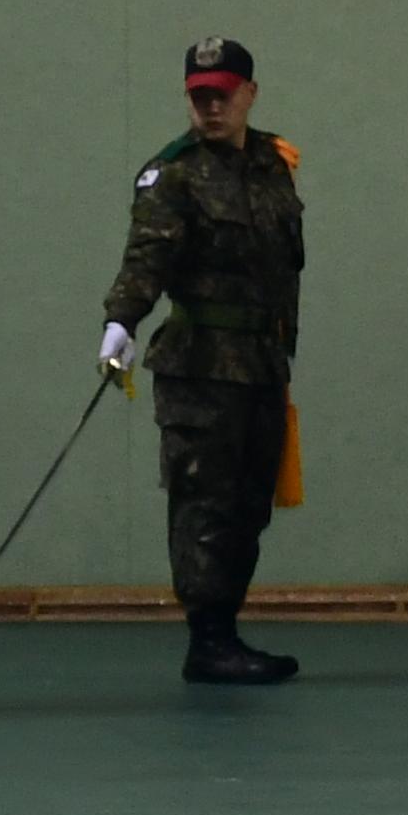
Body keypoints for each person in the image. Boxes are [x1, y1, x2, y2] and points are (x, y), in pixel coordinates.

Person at [101, 35, 308, 687]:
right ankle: (208, 639)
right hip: (200, 369)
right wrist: (121, 321)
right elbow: (147, 257)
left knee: (248, 507)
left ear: (249, 93)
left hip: (260, 365)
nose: (210, 108)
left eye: (221, 96)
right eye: (199, 97)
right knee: (204, 506)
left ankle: (226, 630)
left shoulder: (272, 165)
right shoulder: (174, 174)